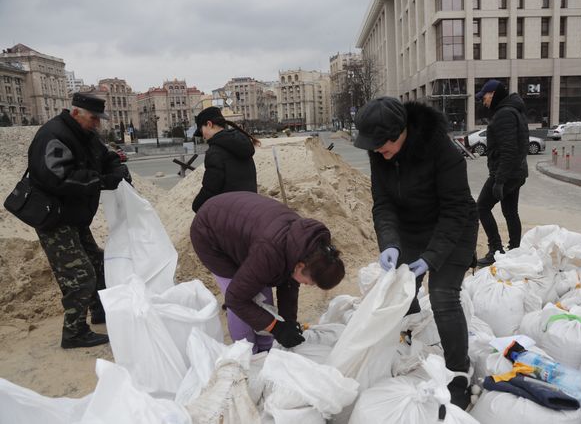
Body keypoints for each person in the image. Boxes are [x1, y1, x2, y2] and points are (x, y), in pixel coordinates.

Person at [353, 96, 479, 409]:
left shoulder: (443, 151)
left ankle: (459, 372)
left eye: (382, 146)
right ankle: (408, 343)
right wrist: (391, 243)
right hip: (411, 227)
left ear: (400, 133)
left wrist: (432, 257)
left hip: (454, 226)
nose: (377, 153)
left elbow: (455, 209)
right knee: (402, 286)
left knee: (442, 294)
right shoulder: (379, 153)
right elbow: (383, 203)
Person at [27, 93, 131, 348]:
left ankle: (99, 311)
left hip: (74, 216)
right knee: (79, 275)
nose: (97, 124)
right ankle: (74, 332)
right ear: (76, 113)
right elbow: (58, 178)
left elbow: (103, 157)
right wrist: (100, 181)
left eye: (99, 119)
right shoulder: (53, 135)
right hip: (54, 218)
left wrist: (117, 167)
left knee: (97, 262)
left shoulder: (85, 134)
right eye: (94, 118)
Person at [190, 191, 345, 353]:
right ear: (300, 266)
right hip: (210, 234)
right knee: (244, 297)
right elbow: (235, 299)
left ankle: (265, 349)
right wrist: (277, 328)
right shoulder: (271, 251)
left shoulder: (306, 249)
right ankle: (246, 352)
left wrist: (288, 322)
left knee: (263, 299)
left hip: (244, 230)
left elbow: (289, 284)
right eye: (310, 282)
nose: (308, 284)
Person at [474, 80, 529, 267]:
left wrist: (499, 181)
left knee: (481, 207)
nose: (484, 101)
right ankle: (514, 251)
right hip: (515, 173)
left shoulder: (505, 114)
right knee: (510, 211)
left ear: (494, 93)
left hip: (506, 173)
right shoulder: (513, 110)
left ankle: (495, 249)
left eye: (485, 96)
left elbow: (509, 150)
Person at [191, 106, 260, 212]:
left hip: (230, 213)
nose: (203, 136)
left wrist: (196, 206)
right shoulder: (242, 144)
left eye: (202, 130)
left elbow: (210, 189)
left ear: (209, 124)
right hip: (251, 208)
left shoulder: (215, 152)